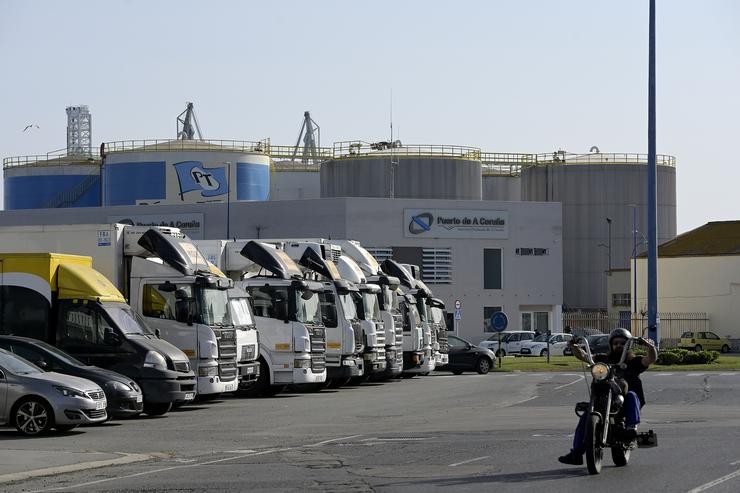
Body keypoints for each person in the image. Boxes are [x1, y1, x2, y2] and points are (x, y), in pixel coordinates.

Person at [558, 328, 658, 466]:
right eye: (616, 343)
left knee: (631, 395)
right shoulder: (602, 360)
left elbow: (650, 359)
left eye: (622, 343)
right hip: (602, 400)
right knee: (585, 418)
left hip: (625, 404)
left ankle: (630, 429)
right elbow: (585, 356)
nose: (618, 345)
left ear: (628, 345)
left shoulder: (634, 361)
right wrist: (574, 347)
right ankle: (576, 454)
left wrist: (650, 347)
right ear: (611, 344)